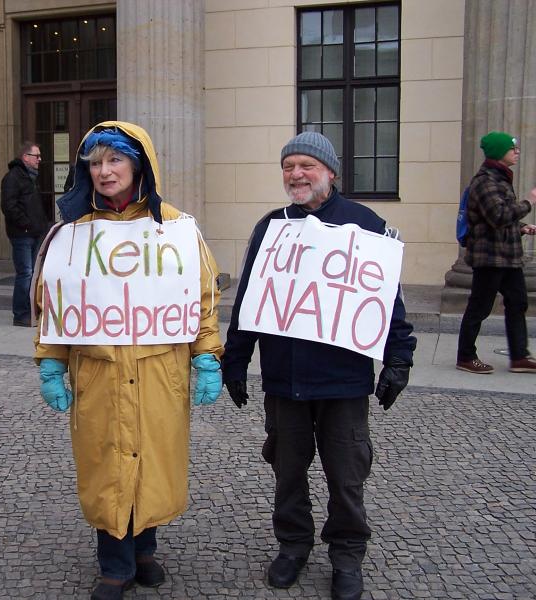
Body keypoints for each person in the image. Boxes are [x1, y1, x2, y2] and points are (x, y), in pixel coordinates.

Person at [32, 122, 224, 600]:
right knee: (107, 464)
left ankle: (145, 551)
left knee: (153, 461)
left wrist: (206, 356)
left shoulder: (176, 228)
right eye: (95, 163)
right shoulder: (72, 235)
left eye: (114, 160)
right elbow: (55, 304)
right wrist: (51, 362)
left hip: (160, 372)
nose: (104, 171)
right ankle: (114, 566)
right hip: (99, 373)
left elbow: (201, 297)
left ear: (138, 164)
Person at [222, 131, 417, 600]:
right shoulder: (271, 227)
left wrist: (398, 359)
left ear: (330, 172)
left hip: (343, 381)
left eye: (307, 165)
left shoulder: (367, 224)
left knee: (346, 473)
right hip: (285, 381)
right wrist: (236, 357)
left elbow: (389, 301)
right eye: (289, 166)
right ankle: (293, 546)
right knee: (288, 469)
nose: (296, 174)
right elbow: (252, 297)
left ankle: (347, 555)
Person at [456, 131, 536, 374]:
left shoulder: (500, 178)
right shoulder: (485, 181)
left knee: (518, 302)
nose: (517, 152)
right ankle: (466, 357)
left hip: (507, 257)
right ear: (500, 153)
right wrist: (529, 203)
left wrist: (522, 228)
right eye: (512, 149)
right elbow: (498, 215)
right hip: (489, 258)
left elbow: (496, 217)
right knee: (479, 307)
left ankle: (519, 356)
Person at [1, 141, 49, 326]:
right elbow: (9, 206)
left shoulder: (29, 177)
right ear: (25, 157)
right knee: (26, 273)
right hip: (22, 234)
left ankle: (31, 311)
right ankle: (21, 314)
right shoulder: (13, 177)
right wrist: (26, 225)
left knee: (32, 274)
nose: (39, 160)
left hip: (34, 232)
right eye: (36, 156)